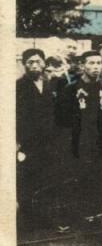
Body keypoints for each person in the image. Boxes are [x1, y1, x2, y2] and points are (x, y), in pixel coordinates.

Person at [55, 50, 102, 190]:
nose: (96, 67)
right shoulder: (71, 88)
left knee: (101, 176)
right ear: (83, 65)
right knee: (80, 178)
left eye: (99, 63)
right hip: (79, 139)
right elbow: (61, 117)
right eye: (91, 63)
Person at [16, 48, 57, 205]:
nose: (35, 65)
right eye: (30, 62)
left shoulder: (49, 84)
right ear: (24, 64)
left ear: (44, 63)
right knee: (27, 178)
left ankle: (46, 217)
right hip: (28, 141)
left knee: (47, 178)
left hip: (49, 141)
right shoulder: (18, 86)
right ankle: (28, 221)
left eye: (38, 61)